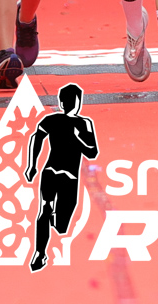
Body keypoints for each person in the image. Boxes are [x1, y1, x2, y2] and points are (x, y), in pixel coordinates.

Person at [22, 83, 99, 273]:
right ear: (66, 103)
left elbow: (92, 152)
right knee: (46, 209)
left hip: (61, 174)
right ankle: (40, 253)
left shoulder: (81, 123)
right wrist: (32, 165)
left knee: (59, 222)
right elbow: (36, 138)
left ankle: (52, 224)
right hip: (57, 172)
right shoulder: (59, 120)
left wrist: (76, 140)